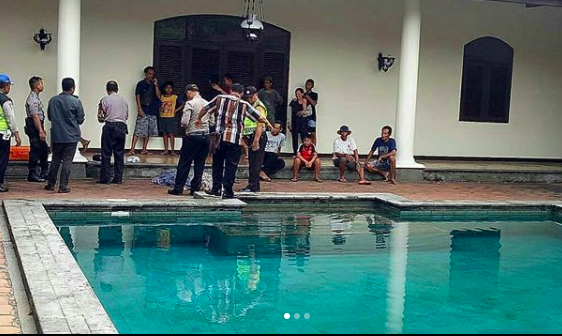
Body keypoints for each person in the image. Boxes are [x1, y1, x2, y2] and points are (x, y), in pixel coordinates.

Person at [195, 84, 270, 199]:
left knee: (217, 164)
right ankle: (228, 191)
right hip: (234, 139)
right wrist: (268, 124)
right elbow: (259, 117)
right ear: (241, 93)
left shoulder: (220, 98)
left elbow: (205, 109)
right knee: (231, 165)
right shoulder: (244, 104)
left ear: (231, 91)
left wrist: (199, 119)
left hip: (219, 138)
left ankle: (216, 188)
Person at [169, 84, 210, 197]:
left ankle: (178, 188)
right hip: (205, 136)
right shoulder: (207, 103)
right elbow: (212, 121)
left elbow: (184, 122)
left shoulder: (190, 103)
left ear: (189, 92)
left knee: (184, 163)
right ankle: (195, 189)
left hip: (192, 136)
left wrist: (185, 126)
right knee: (200, 163)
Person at [45, 78, 85, 193]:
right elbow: (80, 119)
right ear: (72, 88)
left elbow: (49, 117)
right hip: (71, 136)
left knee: (55, 160)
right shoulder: (76, 101)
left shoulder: (53, 100)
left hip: (57, 135)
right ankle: (63, 186)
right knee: (67, 161)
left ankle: (51, 183)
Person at [98, 81, 129, 185]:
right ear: (117, 89)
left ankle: (105, 178)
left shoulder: (105, 100)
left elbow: (101, 118)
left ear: (107, 89)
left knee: (106, 153)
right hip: (122, 127)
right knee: (119, 153)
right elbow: (126, 116)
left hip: (110, 126)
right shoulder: (124, 101)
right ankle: (118, 178)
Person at [241, 86, 268, 193]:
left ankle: (253, 186)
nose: (249, 99)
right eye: (247, 97)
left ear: (255, 95)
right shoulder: (250, 105)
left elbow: (260, 125)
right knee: (252, 163)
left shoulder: (259, 107)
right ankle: (253, 185)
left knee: (256, 163)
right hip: (250, 136)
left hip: (257, 137)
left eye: (251, 97)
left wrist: (256, 140)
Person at [130, 66, 160, 156]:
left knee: (148, 131)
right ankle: (132, 149)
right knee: (138, 130)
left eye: (152, 74)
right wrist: (139, 108)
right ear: (146, 74)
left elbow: (159, 96)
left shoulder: (154, 85)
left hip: (152, 109)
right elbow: (138, 96)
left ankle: (144, 149)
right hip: (143, 108)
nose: (151, 76)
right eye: (149, 73)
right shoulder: (141, 84)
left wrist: (156, 85)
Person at [0, 74, 22, 192]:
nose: (9, 88)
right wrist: (16, 134)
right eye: (9, 85)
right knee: (2, 158)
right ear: (5, 86)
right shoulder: (5, 100)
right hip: (2, 133)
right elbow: (10, 118)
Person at [25, 76, 49, 183]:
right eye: (41, 83)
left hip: (38, 125)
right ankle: (32, 173)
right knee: (35, 149)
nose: (42, 85)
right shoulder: (33, 99)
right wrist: (40, 130)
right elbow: (35, 116)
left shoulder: (36, 98)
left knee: (44, 149)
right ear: (37, 85)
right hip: (34, 126)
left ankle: (44, 171)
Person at [158, 81, 181, 156]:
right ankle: (166, 150)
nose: (168, 89)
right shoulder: (161, 97)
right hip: (162, 116)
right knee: (164, 133)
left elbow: (183, 103)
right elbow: (159, 105)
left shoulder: (175, 97)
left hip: (171, 117)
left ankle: (173, 150)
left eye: (170, 88)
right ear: (164, 89)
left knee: (171, 134)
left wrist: (176, 110)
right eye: (167, 88)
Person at [288, 88, 311, 156]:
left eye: (299, 94)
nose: (297, 95)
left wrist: (303, 112)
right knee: (294, 138)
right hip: (295, 122)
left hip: (303, 122)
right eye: (296, 94)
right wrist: (289, 123)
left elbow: (310, 112)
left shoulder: (306, 102)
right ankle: (295, 153)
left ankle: (304, 153)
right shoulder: (293, 102)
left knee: (304, 137)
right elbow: (289, 113)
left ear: (302, 94)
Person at [304, 79, 319, 145]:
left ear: (312, 86)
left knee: (313, 133)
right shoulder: (303, 94)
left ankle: (314, 149)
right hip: (304, 115)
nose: (307, 86)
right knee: (305, 132)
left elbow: (314, 104)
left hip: (312, 116)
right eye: (306, 84)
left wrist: (307, 96)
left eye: (309, 84)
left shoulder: (314, 94)